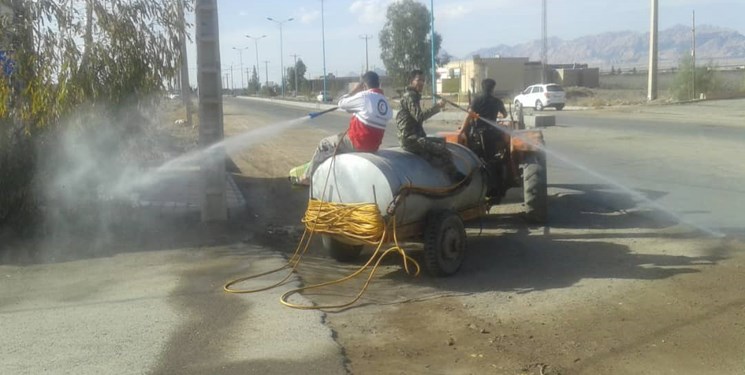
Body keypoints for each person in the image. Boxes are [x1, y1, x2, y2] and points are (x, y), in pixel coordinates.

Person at [300, 71, 392, 184]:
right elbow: (371, 114)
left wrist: (355, 91)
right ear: (378, 84)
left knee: (324, 144)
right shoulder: (385, 102)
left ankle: (307, 177)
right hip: (373, 146)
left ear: (363, 85)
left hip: (356, 143)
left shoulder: (364, 96)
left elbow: (341, 103)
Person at [396, 69, 465, 182]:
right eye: (419, 80)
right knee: (442, 150)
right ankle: (455, 177)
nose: (422, 83)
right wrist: (437, 107)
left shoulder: (414, 96)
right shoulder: (410, 96)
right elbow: (420, 117)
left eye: (423, 80)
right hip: (410, 139)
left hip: (415, 137)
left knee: (441, 142)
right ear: (411, 81)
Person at [459, 78, 509, 203]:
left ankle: (476, 189)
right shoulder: (497, 101)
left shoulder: (476, 100)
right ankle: (496, 191)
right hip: (492, 135)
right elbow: (505, 115)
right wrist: (496, 114)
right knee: (493, 160)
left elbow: (469, 116)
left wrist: (461, 131)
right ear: (492, 89)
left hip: (477, 136)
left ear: (482, 87)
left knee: (477, 160)